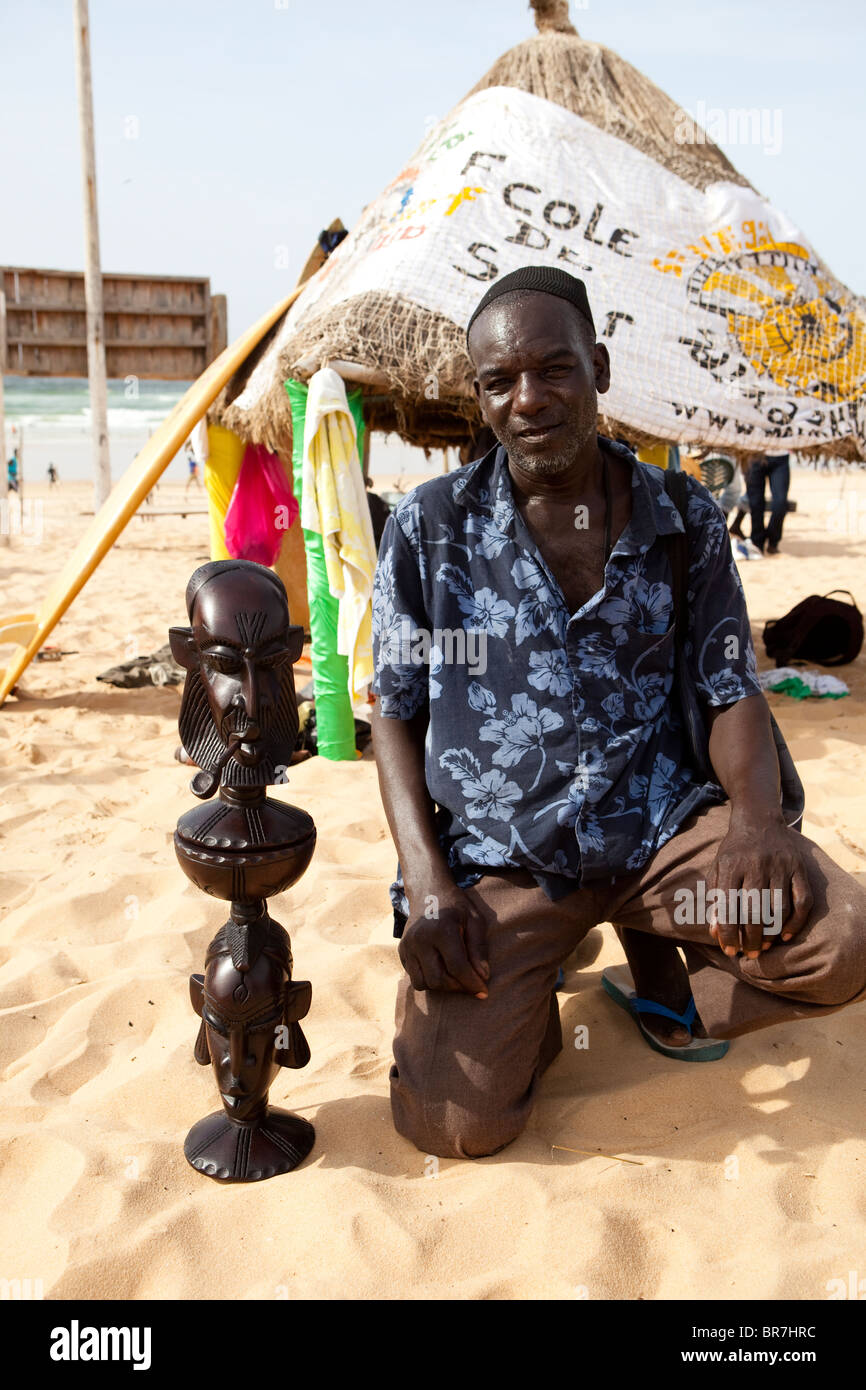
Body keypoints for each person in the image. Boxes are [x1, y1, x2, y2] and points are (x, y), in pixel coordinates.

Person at [370, 264, 866, 1161]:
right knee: (454, 1123)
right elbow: (397, 714)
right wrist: (430, 887)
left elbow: (728, 683)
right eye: (498, 382)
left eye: (553, 369)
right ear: (479, 394)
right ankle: (535, 1005)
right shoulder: (427, 527)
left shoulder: (683, 517)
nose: (528, 400)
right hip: (505, 855)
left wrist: (755, 822)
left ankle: (655, 961)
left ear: (598, 364)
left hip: (660, 834)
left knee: (846, 944)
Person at [746, 452, 790, 555]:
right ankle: (757, 543)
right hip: (754, 455)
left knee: (781, 503)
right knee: (755, 503)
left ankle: (773, 541)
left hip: (781, 456)